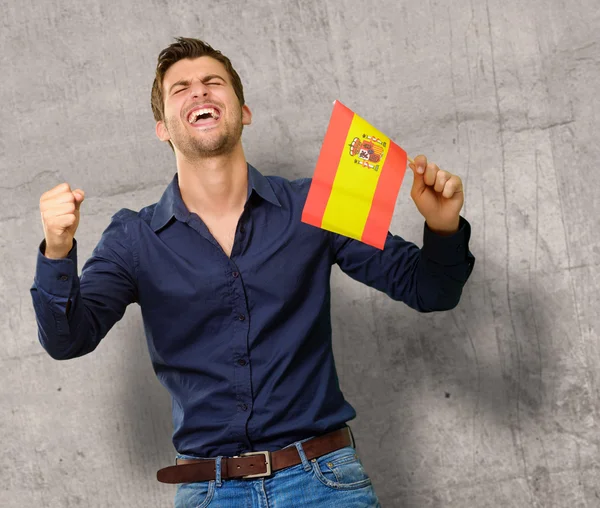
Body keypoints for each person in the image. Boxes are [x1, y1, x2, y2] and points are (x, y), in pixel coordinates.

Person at [30, 37, 475, 507]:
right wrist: (57, 250)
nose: (199, 92)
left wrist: (442, 227)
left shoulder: (318, 203)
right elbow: (66, 340)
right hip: (209, 493)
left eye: (212, 82)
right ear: (162, 128)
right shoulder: (132, 238)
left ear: (243, 111)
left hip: (325, 485)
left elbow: (432, 290)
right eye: (180, 88)